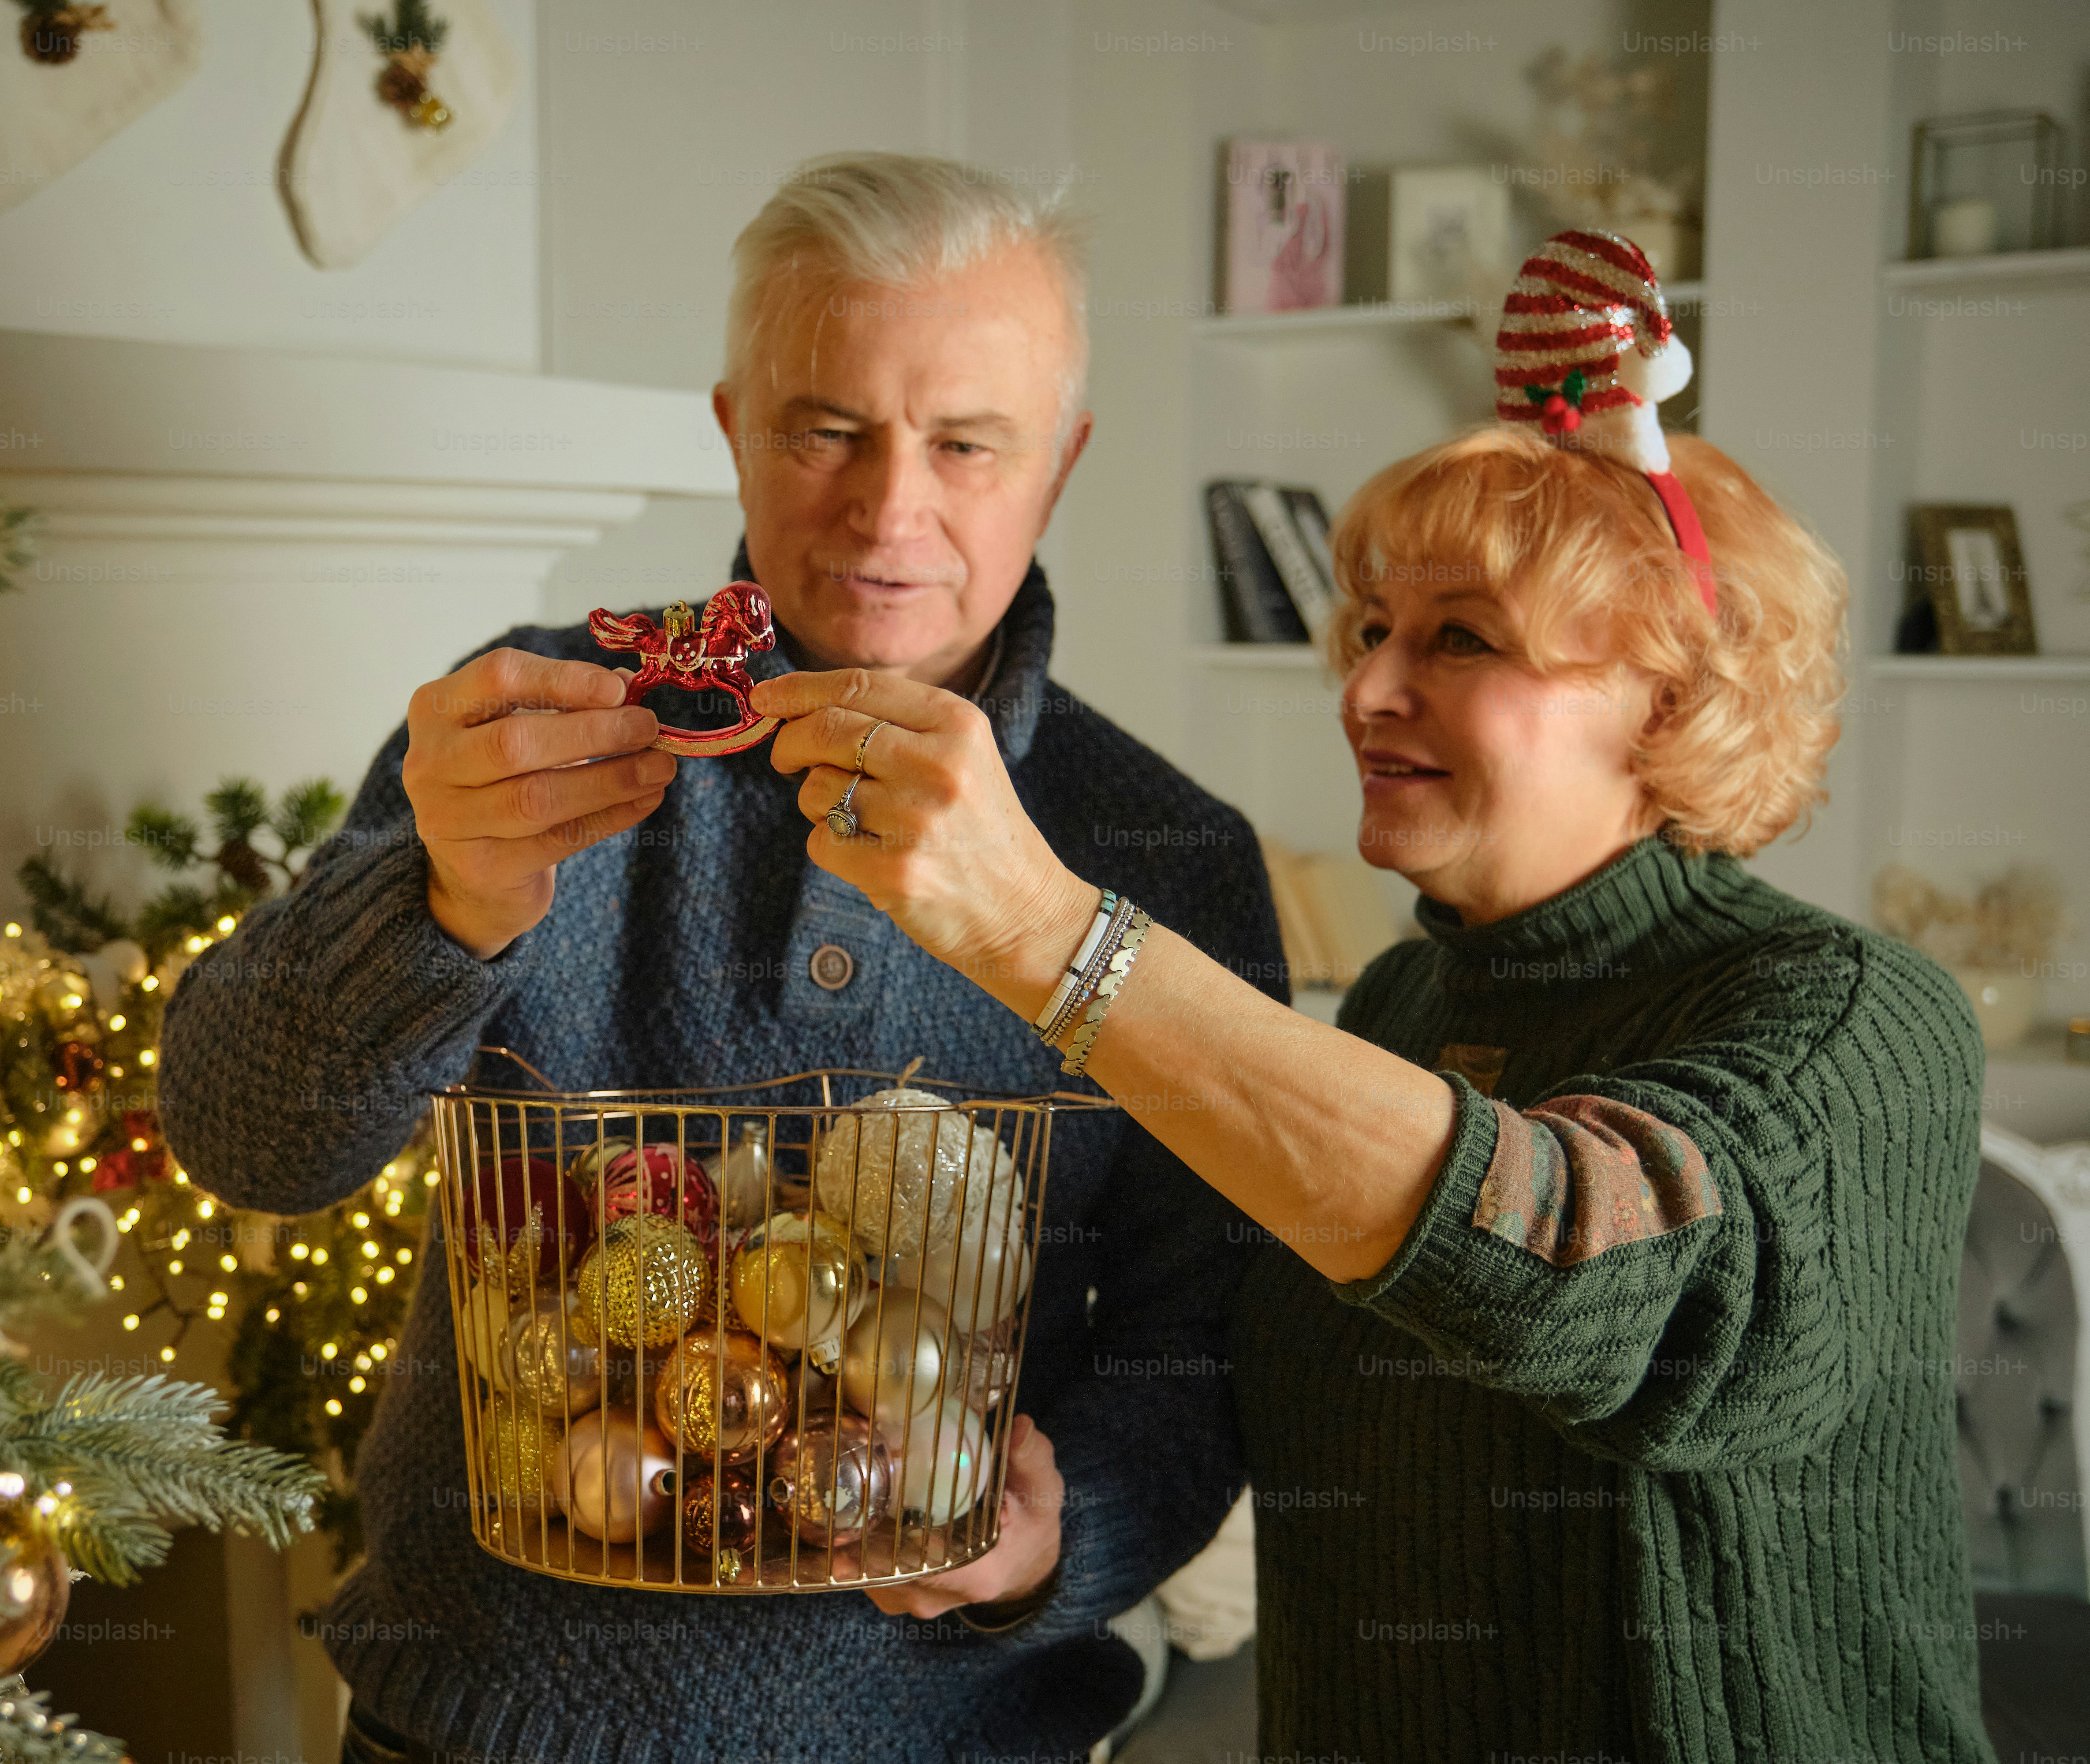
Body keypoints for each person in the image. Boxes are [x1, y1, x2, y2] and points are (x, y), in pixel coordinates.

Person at [746, 232, 1993, 1761]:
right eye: (1372, 629)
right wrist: (1048, 1526)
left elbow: (1576, 1257)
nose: (1367, 689)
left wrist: (1047, 935)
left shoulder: (1855, 1017)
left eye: (1461, 639)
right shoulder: (1404, 1001)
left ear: (1670, 699)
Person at [157, 152, 1289, 1764]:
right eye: (825, 429)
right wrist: (443, 904)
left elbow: (1203, 1342)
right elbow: (243, 1144)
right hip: (483, 1721)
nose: (889, 509)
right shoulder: (522, 732)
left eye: (967, 443)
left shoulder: (1168, 851)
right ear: (732, 426)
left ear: (1064, 459)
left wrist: (1064, 1534)